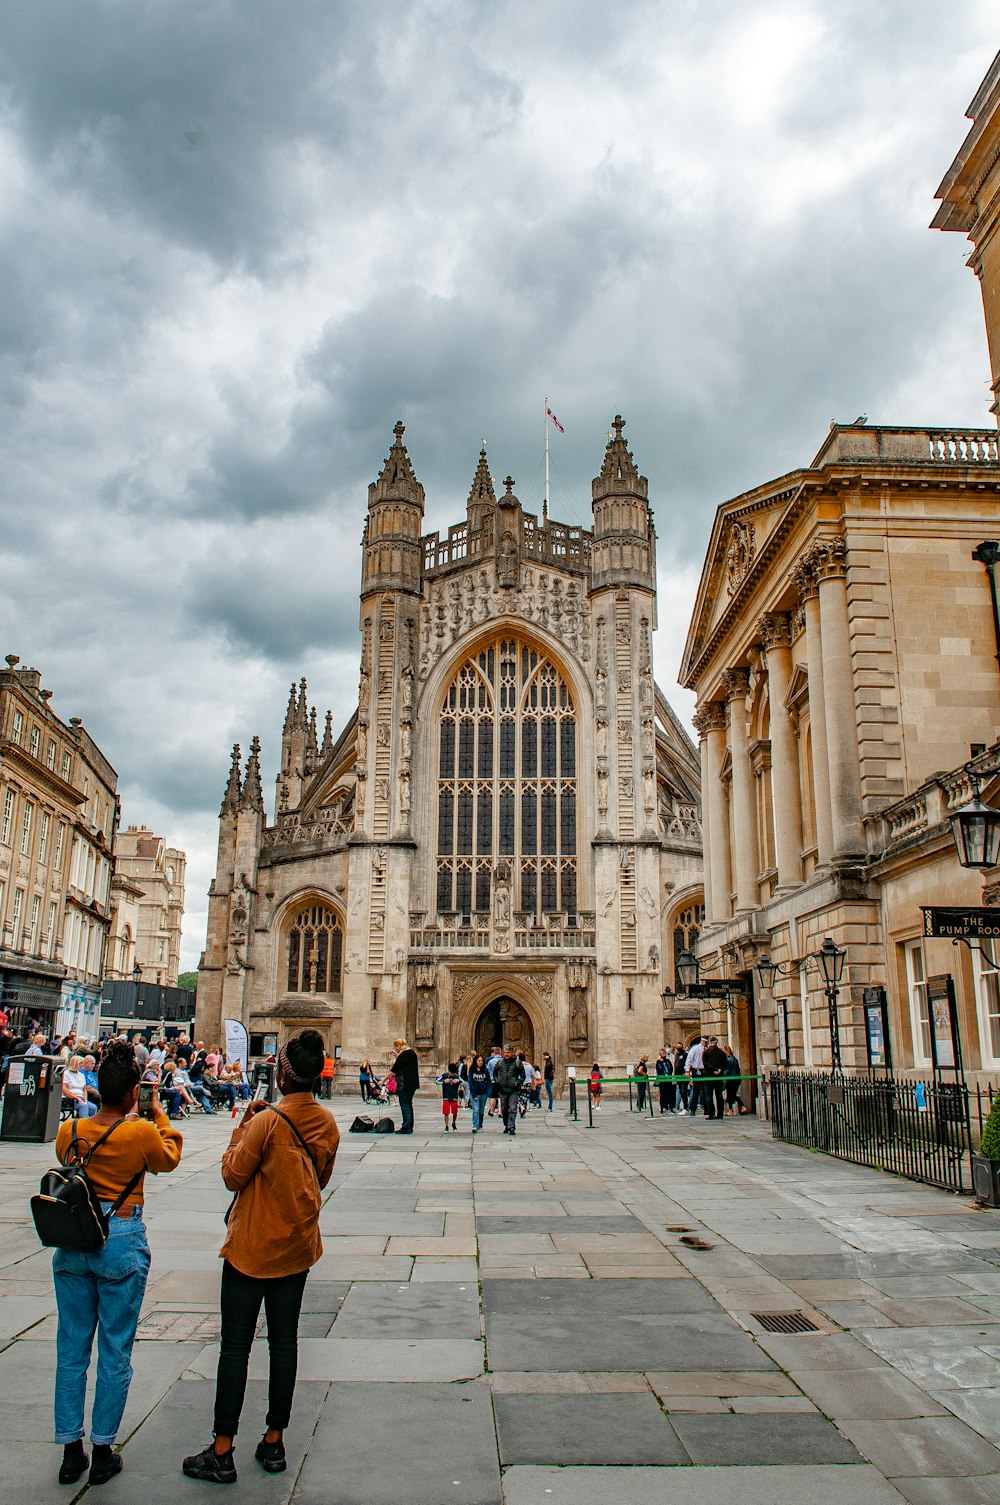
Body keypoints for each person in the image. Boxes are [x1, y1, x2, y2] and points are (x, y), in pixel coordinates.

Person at [182, 1030, 339, 1485]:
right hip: (297, 1247)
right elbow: (320, 1179)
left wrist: (242, 1128)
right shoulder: (327, 1123)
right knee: (285, 1344)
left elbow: (233, 1176)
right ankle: (274, 1441)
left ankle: (222, 1448)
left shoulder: (266, 1122)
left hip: (252, 1248)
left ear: (283, 1075)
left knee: (235, 1347)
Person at [52, 1040, 182, 1487]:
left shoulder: (70, 1133)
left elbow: (64, 1160)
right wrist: (157, 1113)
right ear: (131, 1095)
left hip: (75, 1240)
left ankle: (72, 1451)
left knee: (71, 1350)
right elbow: (169, 1158)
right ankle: (103, 1449)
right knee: (114, 1350)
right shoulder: (139, 1132)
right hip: (121, 1239)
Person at [493, 1046, 524, 1135]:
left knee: (512, 1108)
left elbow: (522, 1075)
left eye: (508, 1052)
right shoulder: (499, 1063)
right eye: (505, 1052)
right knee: (504, 1109)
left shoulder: (517, 1063)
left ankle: (511, 1127)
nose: (506, 1054)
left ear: (512, 1053)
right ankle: (506, 1125)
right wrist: (497, 1081)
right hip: (502, 1089)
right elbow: (494, 1073)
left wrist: (517, 1082)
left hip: (513, 1089)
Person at [391, 1039, 420, 1134]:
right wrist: (397, 1056)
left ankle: (406, 1127)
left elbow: (394, 1069)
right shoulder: (412, 1053)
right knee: (408, 1104)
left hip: (405, 1084)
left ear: (399, 1045)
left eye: (396, 1047)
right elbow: (403, 1063)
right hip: (412, 1084)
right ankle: (409, 1126)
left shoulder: (404, 1054)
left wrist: (382, 1081)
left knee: (404, 1105)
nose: (395, 1049)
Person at [701, 1037, 728, 1120]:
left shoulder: (705, 1052)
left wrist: (713, 1069)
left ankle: (711, 1114)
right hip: (718, 1076)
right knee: (719, 1095)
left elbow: (705, 1063)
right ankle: (720, 1114)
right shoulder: (721, 1052)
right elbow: (725, 1063)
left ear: (709, 1042)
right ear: (717, 1042)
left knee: (709, 1095)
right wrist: (719, 1069)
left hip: (708, 1075)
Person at [468, 1054, 491, 1131]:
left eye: (481, 1060)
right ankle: (475, 1125)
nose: (480, 1062)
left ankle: (480, 1125)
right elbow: (470, 1082)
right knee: (476, 1109)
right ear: (476, 1061)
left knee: (481, 1110)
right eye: (478, 1060)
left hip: (483, 1093)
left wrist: (487, 1090)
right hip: (474, 1093)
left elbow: (489, 1081)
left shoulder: (485, 1070)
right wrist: (473, 1094)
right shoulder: (472, 1071)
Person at [436, 1063, 461, 1131]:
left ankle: (453, 1123)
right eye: (451, 1073)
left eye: (453, 1073)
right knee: (446, 1112)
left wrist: (458, 1080)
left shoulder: (457, 1076)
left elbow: (464, 1082)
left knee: (455, 1112)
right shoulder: (444, 1075)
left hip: (454, 1096)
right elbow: (437, 1081)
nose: (452, 1075)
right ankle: (446, 1126)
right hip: (446, 1096)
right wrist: (444, 1081)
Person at [685, 1037, 706, 1116]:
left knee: (705, 1091)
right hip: (696, 1069)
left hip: (704, 1070)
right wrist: (687, 1070)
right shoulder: (695, 1049)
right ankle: (693, 1109)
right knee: (695, 1090)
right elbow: (689, 1060)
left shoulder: (706, 1049)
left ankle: (706, 1108)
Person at [724, 1047, 745, 1115]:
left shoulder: (729, 1059)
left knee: (730, 1094)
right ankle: (740, 1107)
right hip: (736, 1078)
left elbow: (727, 1070)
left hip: (731, 1079)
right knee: (732, 1094)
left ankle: (732, 1110)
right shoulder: (734, 1059)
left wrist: (722, 1077)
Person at [655, 1049, 673, 1114]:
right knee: (663, 1094)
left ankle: (670, 1107)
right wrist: (664, 1075)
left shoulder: (668, 1061)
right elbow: (658, 1070)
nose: (664, 1055)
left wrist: (669, 1075)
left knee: (670, 1094)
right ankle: (663, 1107)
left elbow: (671, 1068)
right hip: (662, 1081)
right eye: (663, 1054)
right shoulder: (658, 1062)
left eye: (665, 1054)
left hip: (669, 1080)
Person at [673, 1043, 689, 1113]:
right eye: (677, 1047)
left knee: (683, 1091)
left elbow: (687, 1063)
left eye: (680, 1047)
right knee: (680, 1091)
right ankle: (679, 1106)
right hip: (677, 1075)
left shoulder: (685, 1054)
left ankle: (686, 1107)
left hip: (683, 1075)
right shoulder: (676, 1055)